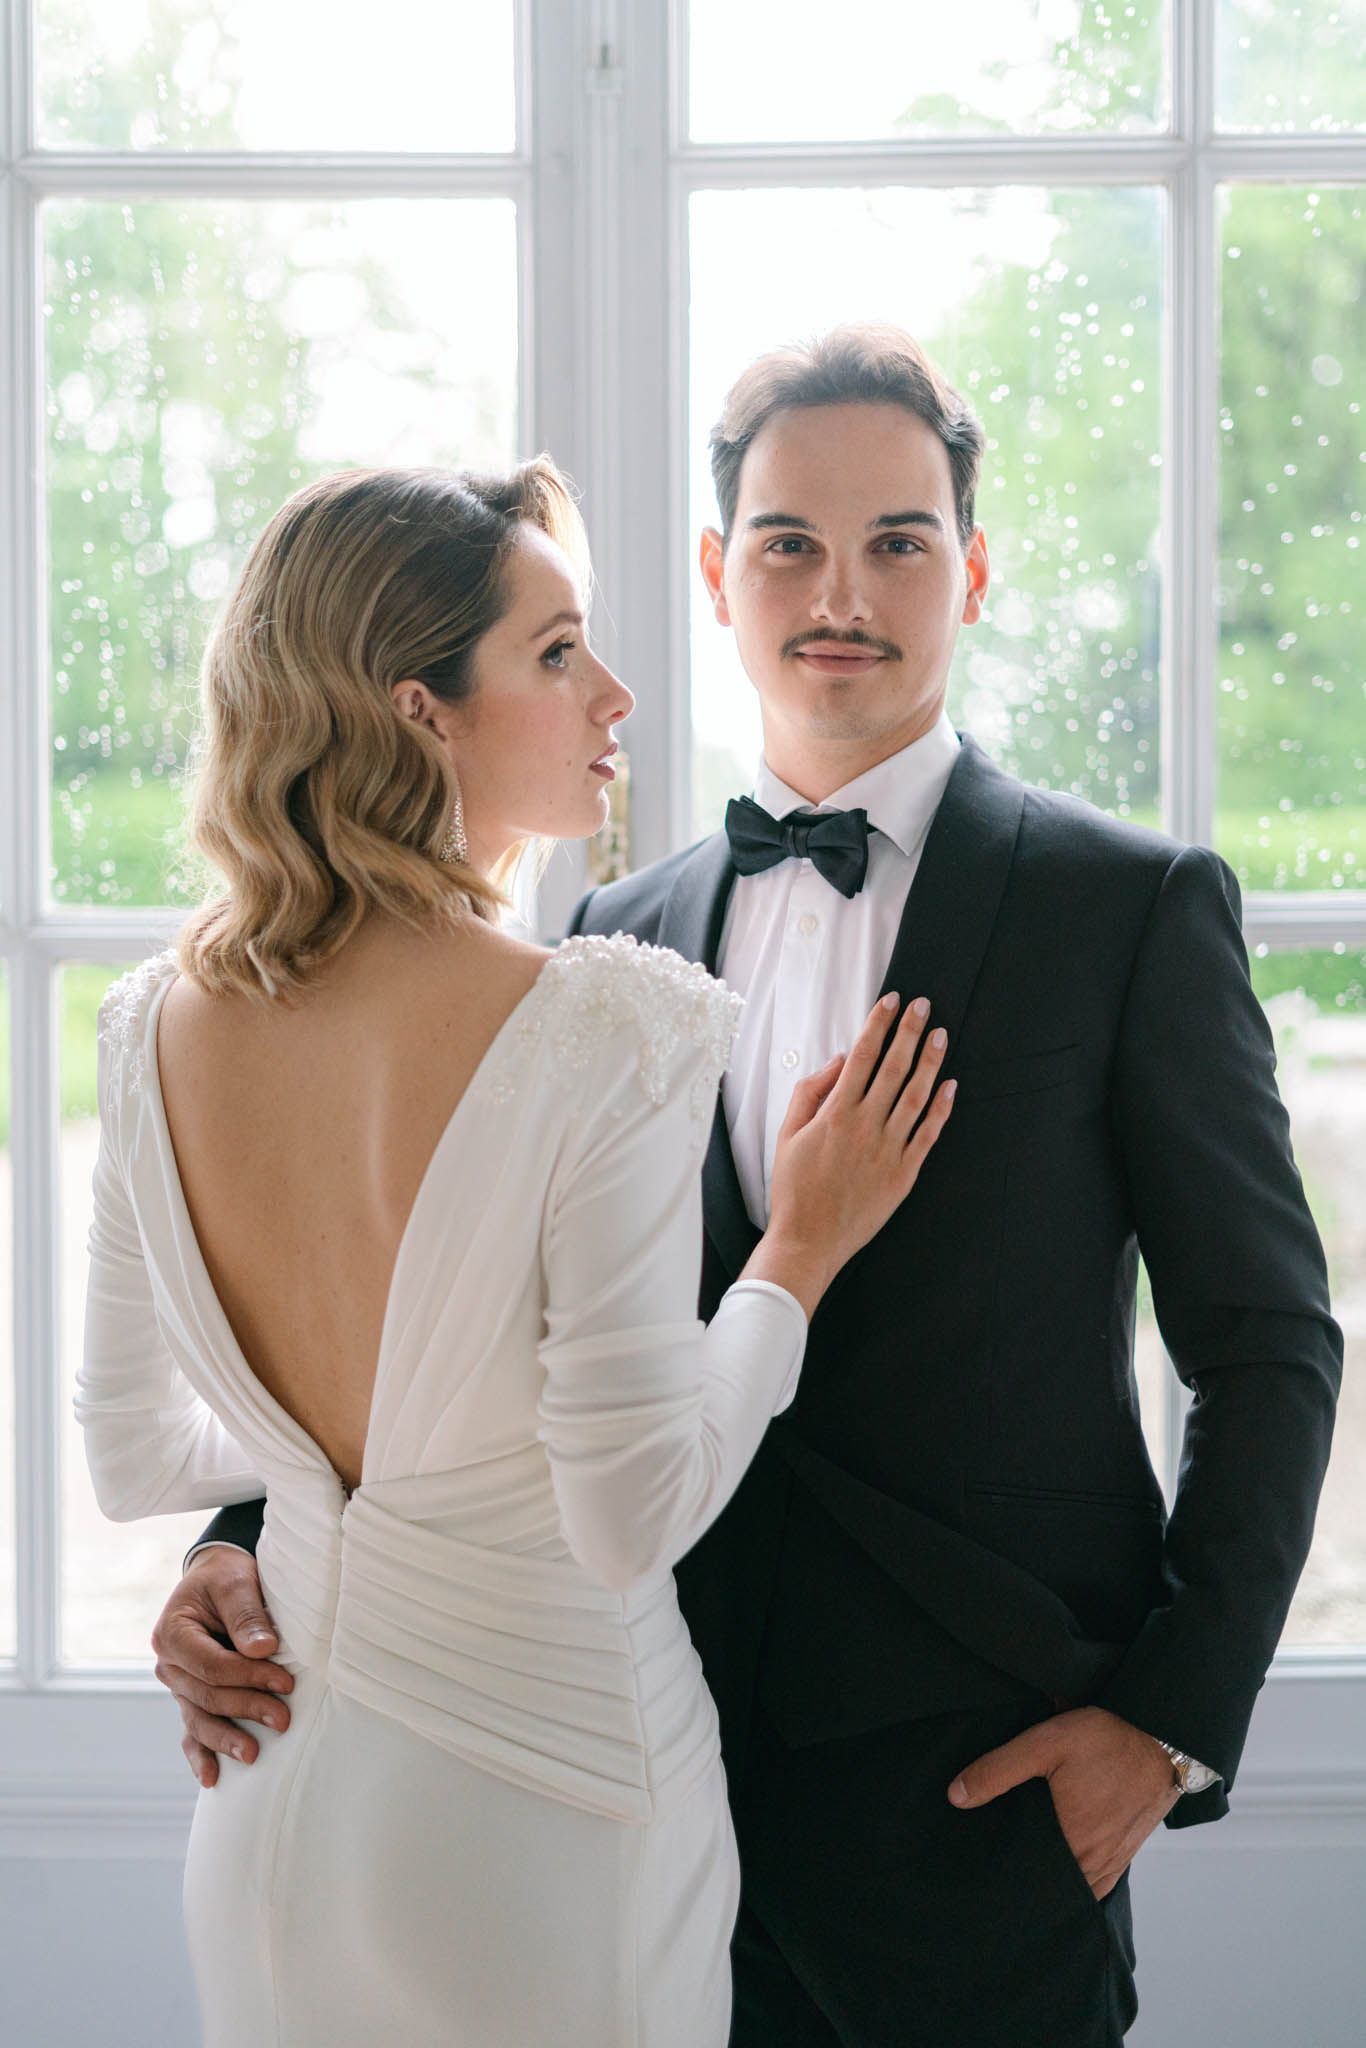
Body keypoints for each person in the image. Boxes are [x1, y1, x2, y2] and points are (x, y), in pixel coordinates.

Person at [151, 330, 1341, 2047]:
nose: (839, 593)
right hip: (622, 1761)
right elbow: (444, 1317)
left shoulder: (1128, 909)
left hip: (979, 1781)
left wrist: (1163, 1724)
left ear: (972, 572)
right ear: (718, 575)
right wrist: (242, 1544)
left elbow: (1265, 1343)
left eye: (897, 542)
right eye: (788, 542)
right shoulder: (600, 944)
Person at [78, 456, 958, 2048]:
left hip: (276, 1809)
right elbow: (628, 1516)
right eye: (555, 654)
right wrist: (797, 1253)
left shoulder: (148, 1025)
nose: (613, 692)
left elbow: (132, 1453)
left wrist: (342, 1493)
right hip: (550, 1814)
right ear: (417, 712)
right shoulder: (603, 1021)